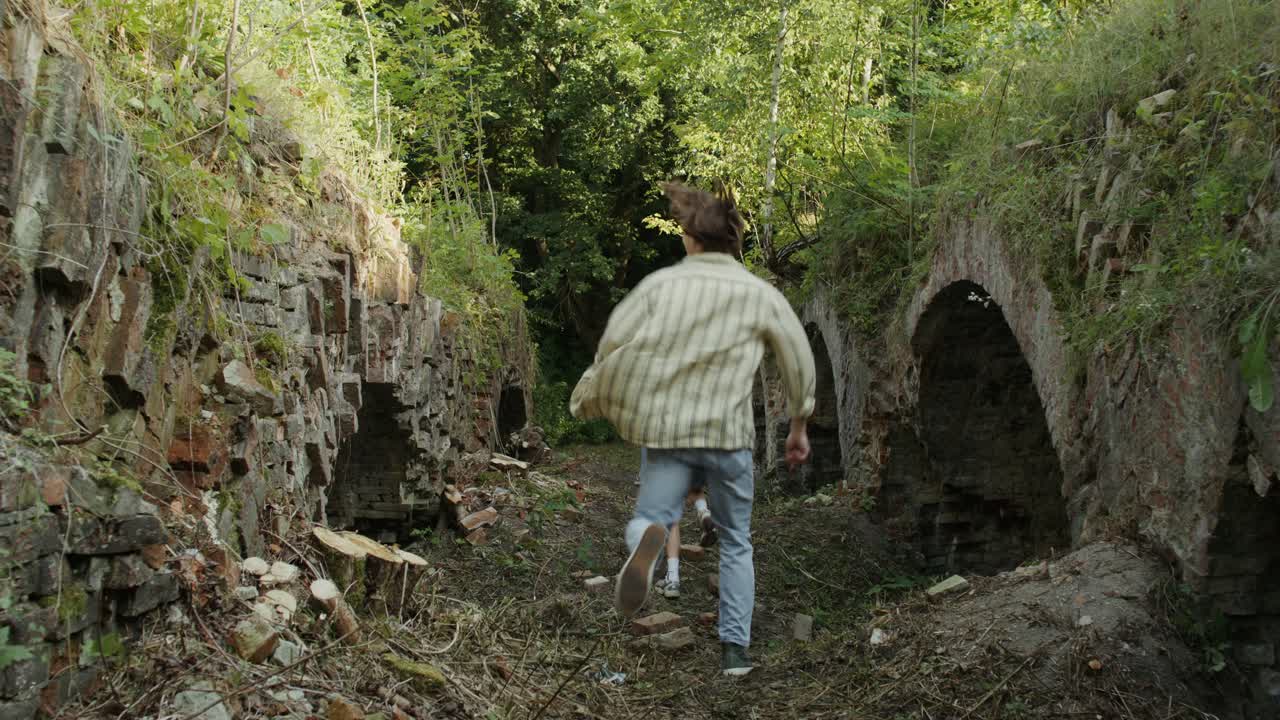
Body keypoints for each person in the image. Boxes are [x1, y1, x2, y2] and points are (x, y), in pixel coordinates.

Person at [570, 181, 815, 677]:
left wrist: (610, 382)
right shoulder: (758, 293)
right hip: (728, 437)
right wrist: (799, 423)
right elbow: (797, 358)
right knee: (737, 540)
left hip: (668, 432)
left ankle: (651, 537)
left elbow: (613, 339)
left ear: (689, 239)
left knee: (654, 511)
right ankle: (734, 653)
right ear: (733, 241)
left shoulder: (661, 286)